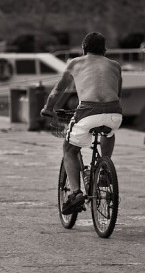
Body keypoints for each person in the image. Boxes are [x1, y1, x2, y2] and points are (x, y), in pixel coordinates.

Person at [41, 32, 123, 215]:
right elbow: (118, 93)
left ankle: (76, 194)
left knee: (69, 149)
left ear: (84, 49)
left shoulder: (75, 63)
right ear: (105, 50)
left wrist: (48, 108)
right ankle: (103, 168)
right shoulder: (115, 66)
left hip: (88, 111)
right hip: (114, 112)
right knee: (108, 131)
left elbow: (57, 91)